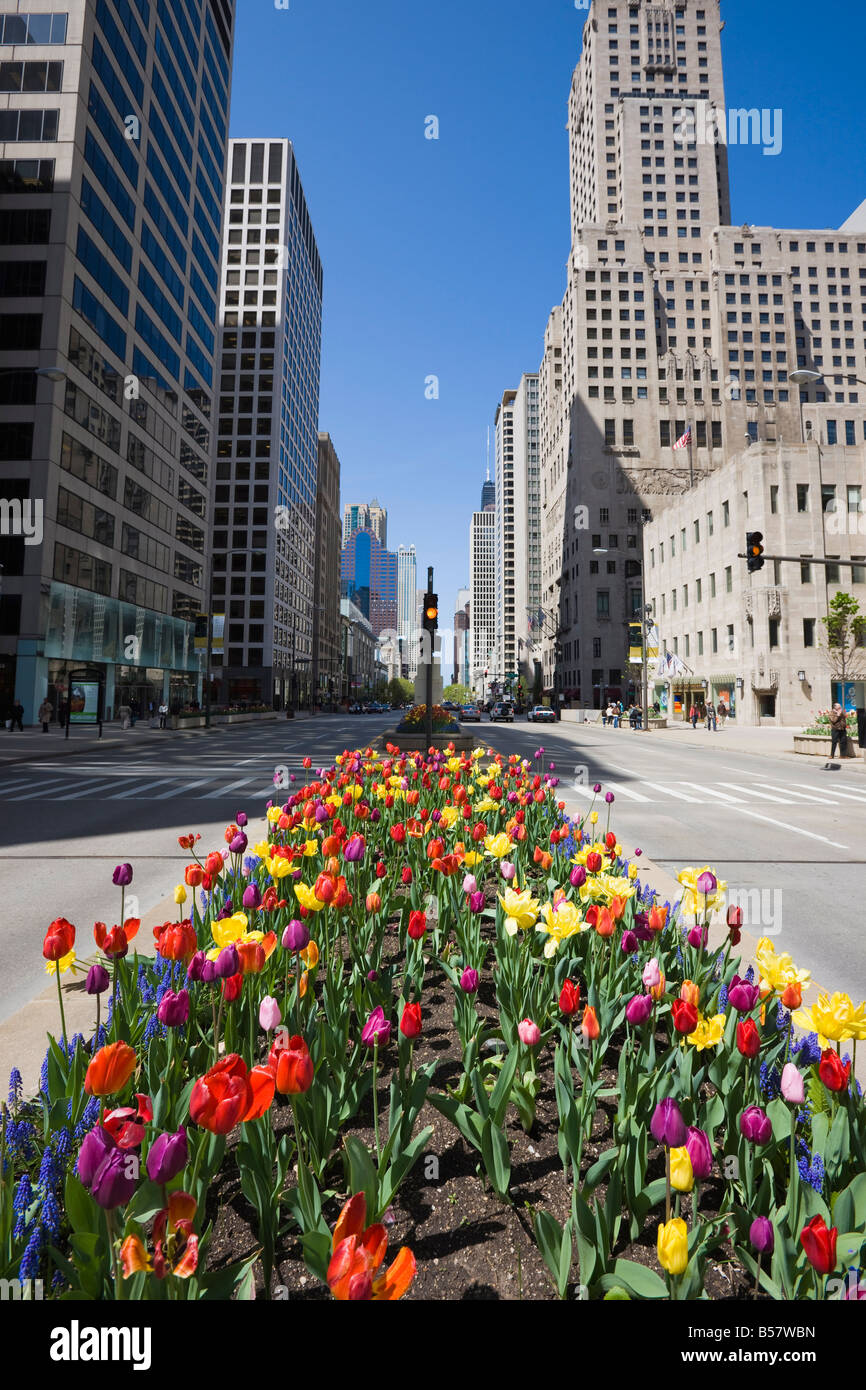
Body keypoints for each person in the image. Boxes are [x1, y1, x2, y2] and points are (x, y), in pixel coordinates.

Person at [827, 703, 848, 767]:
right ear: (835, 707)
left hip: (842, 729)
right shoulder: (831, 713)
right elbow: (833, 721)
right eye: (839, 706)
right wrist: (838, 715)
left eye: (840, 706)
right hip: (835, 729)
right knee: (834, 742)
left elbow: (845, 717)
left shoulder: (841, 711)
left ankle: (843, 755)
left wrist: (842, 713)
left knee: (843, 742)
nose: (840, 707)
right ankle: (832, 755)